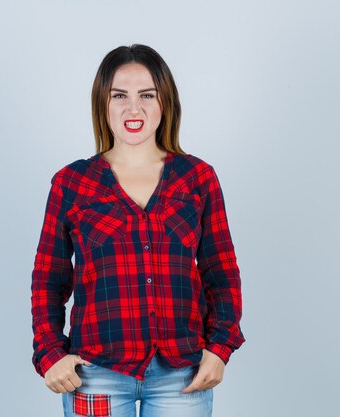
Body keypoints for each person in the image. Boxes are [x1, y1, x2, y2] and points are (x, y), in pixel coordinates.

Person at [30, 44, 245, 417]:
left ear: (165, 103)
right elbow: (49, 279)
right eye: (120, 96)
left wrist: (220, 348)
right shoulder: (72, 184)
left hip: (183, 375)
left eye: (147, 95)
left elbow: (221, 273)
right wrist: (50, 354)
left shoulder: (197, 179)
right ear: (103, 103)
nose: (134, 108)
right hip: (96, 374)